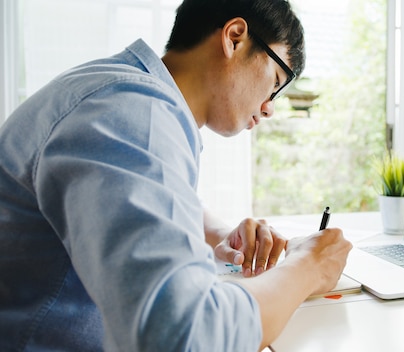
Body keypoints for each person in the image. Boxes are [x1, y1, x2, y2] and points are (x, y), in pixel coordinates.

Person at [0, 0, 352, 351]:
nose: (270, 107)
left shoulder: (115, 90)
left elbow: (125, 192)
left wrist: (215, 232)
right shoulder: (134, 117)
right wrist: (308, 268)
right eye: (276, 82)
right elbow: (187, 335)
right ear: (234, 37)